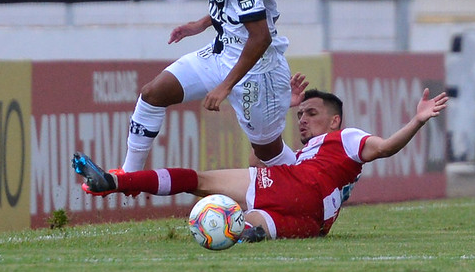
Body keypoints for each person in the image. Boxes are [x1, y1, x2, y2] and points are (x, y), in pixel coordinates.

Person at [73, 84, 448, 240]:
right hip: (312, 224)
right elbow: (261, 156)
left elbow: (383, 148)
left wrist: (416, 121)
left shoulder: (345, 139)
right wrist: (279, 113)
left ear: (335, 120)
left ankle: (117, 181)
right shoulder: (304, 157)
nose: (303, 120)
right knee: (248, 225)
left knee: (199, 180)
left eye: (311, 113)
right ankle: (243, 232)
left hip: (300, 190)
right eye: (299, 114)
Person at [121, 0, 295, 172]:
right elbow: (237, 8)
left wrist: (225, 86)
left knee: (268, 152)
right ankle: (128, 176)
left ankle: (317, 188)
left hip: (257, 72)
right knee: (152, 94)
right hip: (222, 52)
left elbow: (261, 36)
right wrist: (202, 24)